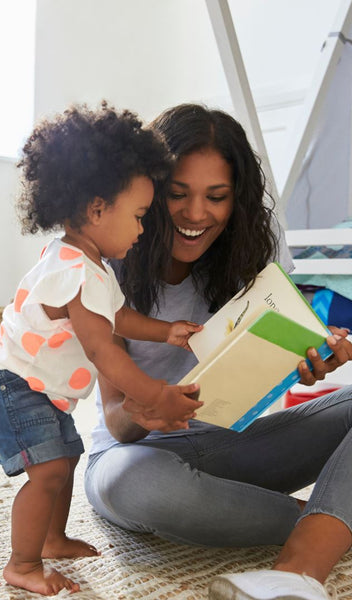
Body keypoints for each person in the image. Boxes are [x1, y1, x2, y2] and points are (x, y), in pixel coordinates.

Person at [83, 103, 352, 600]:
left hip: (235, 445)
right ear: (149, 191)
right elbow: (118, 421)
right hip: (136, 455)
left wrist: (308, 365)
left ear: (237, 201)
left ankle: (300, 569)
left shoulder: (250, 257)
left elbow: (266, 370)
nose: (195, 213)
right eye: (177, 194)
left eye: (217, 197)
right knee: (133, 485)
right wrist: (151, 407)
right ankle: (333, 523)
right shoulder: (108, 267)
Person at [0, 102, 205, 596]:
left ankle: (51, 537)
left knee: (68, 456)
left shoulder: (90, 264)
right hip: (7, 381)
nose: (143, 230)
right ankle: (22, 563)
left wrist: (166, 332)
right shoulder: (75, 271)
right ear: (97, 209)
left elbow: (118, 319)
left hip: (33, 384)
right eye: (139, 216)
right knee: (48, 470)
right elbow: (104, 351)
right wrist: (155, 394)